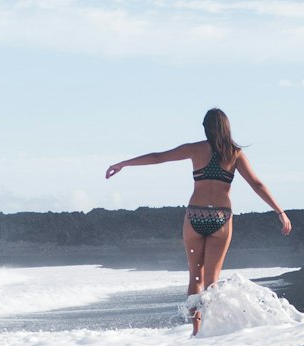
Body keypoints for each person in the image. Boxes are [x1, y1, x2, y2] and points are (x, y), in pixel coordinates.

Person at [105, 107, 292, 332]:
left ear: (206, 128)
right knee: (212, 282)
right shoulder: (235, 154)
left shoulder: (195, 149)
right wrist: (279, 211)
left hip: (195, 215)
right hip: (220, 218)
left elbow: (158, 157)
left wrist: (123, 164)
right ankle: (207, 331)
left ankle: (196, 330)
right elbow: (256, 184)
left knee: (195, 276)